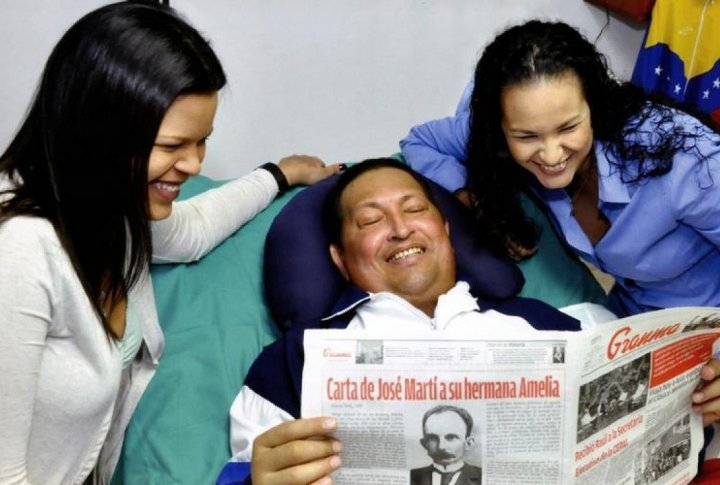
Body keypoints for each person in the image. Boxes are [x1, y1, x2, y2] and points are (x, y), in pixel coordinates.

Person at [0, 2, 339, 483]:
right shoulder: (19, 249)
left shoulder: (108, 210)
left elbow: (195, 228)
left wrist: (279, 174)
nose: (195, 165)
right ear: (99, 133)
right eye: (172, 147)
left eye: (202, 141)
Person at [223, 158, 585, 485]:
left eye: (414, 210)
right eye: (370, 220)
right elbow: (245, 468)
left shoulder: (543, 324)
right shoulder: (296, 360)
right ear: (341, 259)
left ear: (445, 231)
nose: (400, 229)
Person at [399, 20, 720, 319]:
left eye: (568, 128)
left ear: (594, 106)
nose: (552, 156)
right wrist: (472, 197)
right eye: (526, 136)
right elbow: (420, 141)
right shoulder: (495, 131)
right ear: (501, 129)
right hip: (634, 318)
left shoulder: (686, 157)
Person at [410, 405, 482, 485]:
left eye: (451, 437)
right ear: (424, 444)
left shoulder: (483, 476)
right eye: (433, 438)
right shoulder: (411, 476)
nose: (441, 447)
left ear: (468, 443)